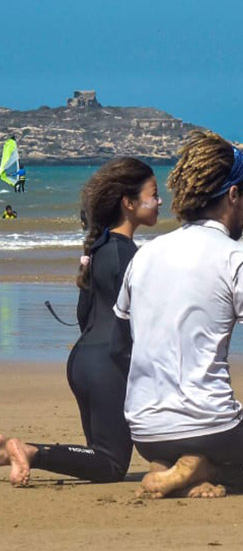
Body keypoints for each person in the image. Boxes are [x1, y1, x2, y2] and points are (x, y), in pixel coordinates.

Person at [113, 131, 243, 499]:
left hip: (145, 432)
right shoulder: (240, 259)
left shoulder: (143, 255)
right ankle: (207, 466)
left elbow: (119, 345)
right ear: (232, 196)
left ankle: (170, 464)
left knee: (183, 437)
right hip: (211, 425)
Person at [2, 158, 160, 486]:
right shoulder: (127, 256)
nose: (159, 202)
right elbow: (135, 326)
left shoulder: (99, 248)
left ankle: (7, 453)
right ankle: (30, 451)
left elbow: (84, 315)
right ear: (129, 203)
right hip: (109, 365)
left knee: (99, 455)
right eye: (153, 194)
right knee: (111, 462)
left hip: (82, 362)